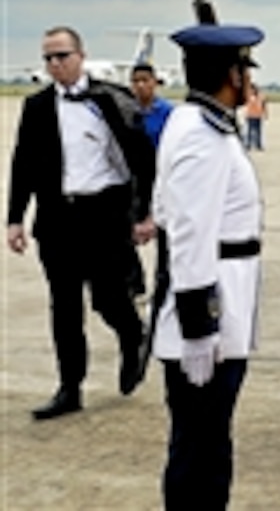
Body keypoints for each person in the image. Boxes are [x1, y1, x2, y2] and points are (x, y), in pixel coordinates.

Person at [6, 26, 155, 420]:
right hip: (56, 219)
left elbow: (142, 159)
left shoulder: (111, 100)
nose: (55, 64)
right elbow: (23, 163)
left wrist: (144, 213)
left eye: (62, 56)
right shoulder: (37, 107)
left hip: (103, 217)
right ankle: (69, 387)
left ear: (81, 55)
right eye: (48, 58)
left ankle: (132, 334)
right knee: (64, 307)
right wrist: (15, 219)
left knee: (107, 298)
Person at [151, 24, 265, 510]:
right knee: (202, 447)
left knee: (204, 440)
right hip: (209, 316)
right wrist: (199, 328)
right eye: (244, 70)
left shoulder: (194, 122)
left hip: (219, 302)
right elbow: (190, 233)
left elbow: (161, 209)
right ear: (230, 75)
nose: (249, 82)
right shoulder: (205, 136)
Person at [127, 62, 174, 297]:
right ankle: (134, 283)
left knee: (165, 233)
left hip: (161, 177)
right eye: (136, 81)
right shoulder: (126, 110)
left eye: (145, 80)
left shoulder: (167, 112)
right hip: (133, 181)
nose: (140, 85)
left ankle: (164, 281)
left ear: (155, 82)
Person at [244, 84, 268, 151]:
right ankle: (248, 145)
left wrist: (266, 114)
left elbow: (264, 105)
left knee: (258, 132)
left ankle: (258, 145)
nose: (252, 91)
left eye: (253, 89)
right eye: (250, 89)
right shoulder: (248, 96)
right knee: (249, 132)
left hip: (258, 116)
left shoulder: (260, 96)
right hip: (250, 116)